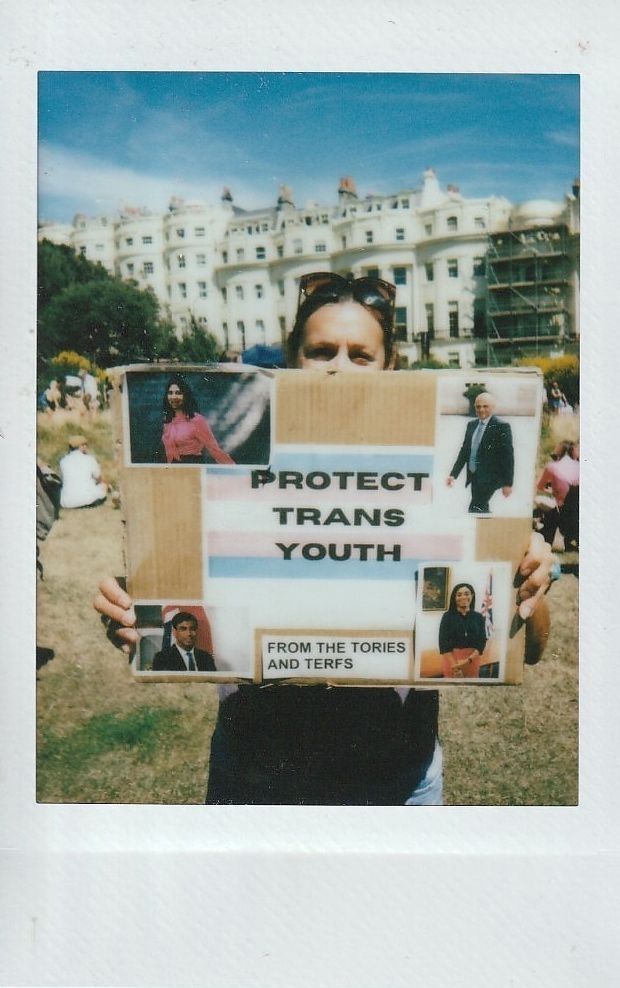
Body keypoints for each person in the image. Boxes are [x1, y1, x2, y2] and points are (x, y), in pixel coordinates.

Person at [95, 271, 552, 806]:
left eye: (360, 354)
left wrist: (530, 585)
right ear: (293, 361)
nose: (339, 366)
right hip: (259, 775)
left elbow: (533, 647)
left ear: (390, 367)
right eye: (321, 350)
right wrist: (133, 610)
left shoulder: (432, 469)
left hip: (395, 779)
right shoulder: (234, 469)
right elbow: (168, 603)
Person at [446, 391, 514, 514]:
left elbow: (508, 456)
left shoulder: (501, 426)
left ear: (492, 407)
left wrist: (507, 483)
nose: (481, 409)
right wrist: (453, 474)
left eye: (485, 406)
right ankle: (486, 531)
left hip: (490, 478)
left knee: (475, 508)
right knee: (481, 509)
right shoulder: (471, 425)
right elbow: (465, 451)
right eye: (478, 406)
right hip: (474, 476)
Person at [160, 374, 235, 465]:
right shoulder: (168, 420)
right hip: (173, 468)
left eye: (178, 393)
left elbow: (213, 448)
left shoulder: (196, 420)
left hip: (192, 466)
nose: (173, 396)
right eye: (170, 393)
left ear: (185, 396)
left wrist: (235, 470)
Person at [536, 440, 580, 551]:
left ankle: (545, 535)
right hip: (576, 510)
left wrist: (553, 491)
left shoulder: (552, 467)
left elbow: (540, 486)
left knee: (539, 500)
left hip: (561, 509)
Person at [439, 583, 487, 679]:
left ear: (472, 596)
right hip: (452, 661)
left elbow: (481, 642)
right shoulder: (447, 616)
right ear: (454, 598)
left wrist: (467, 661)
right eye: (459, 595)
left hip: (472, 660)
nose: (463, 597)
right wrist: (456, 668)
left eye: (466, 594)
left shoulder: (479, 617)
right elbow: (443, 644)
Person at [59, 435, 107, 509]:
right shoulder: (89, 459)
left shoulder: (63, 461)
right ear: (82, 446)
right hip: (87, 500)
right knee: (103, 486)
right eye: (85, 445)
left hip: (67, 502)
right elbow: (99, 478)